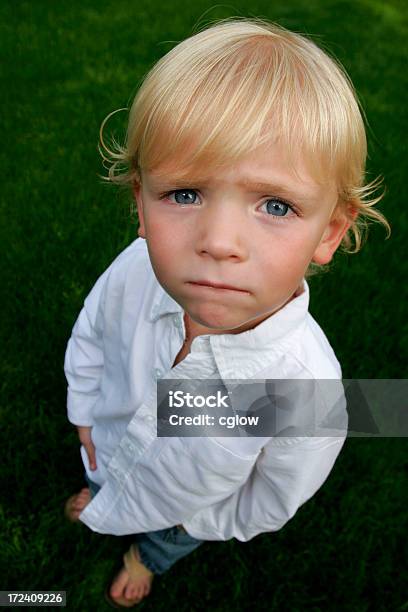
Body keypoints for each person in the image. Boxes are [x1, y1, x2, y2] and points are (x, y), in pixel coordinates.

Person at [63, 16, 390, 608]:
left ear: (330, 232)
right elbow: (89, 339)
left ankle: (144, 556)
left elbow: (274, 492)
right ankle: (103, 495)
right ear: (141, 203)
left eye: (275, 205)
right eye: (184, 194)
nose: (219, 240)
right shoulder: (134, 271)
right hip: (104, 447)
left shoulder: (301, 384)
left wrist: (198, 522)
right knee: (102, 477)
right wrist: (84, 415)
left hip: (183, 511)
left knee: (162, 540)